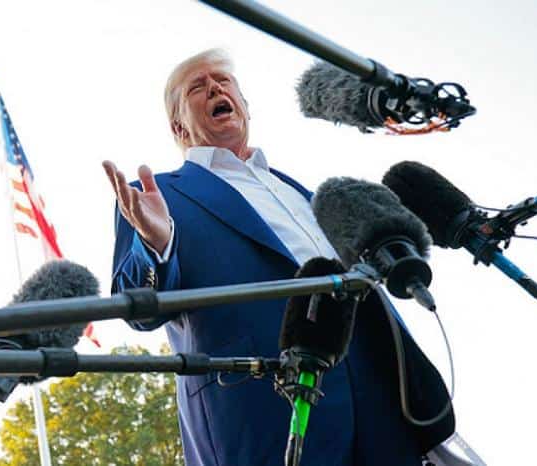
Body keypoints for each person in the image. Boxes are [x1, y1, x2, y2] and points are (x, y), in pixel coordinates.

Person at [103, 49, 453, 466]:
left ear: (244, 106)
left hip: (379, 390)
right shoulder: (156, 196)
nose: (214, 87)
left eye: (223, 81)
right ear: (179, 125)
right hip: (263, 402)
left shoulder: (303, 190)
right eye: (197, 87)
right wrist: (156, 244)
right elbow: (139, 310)